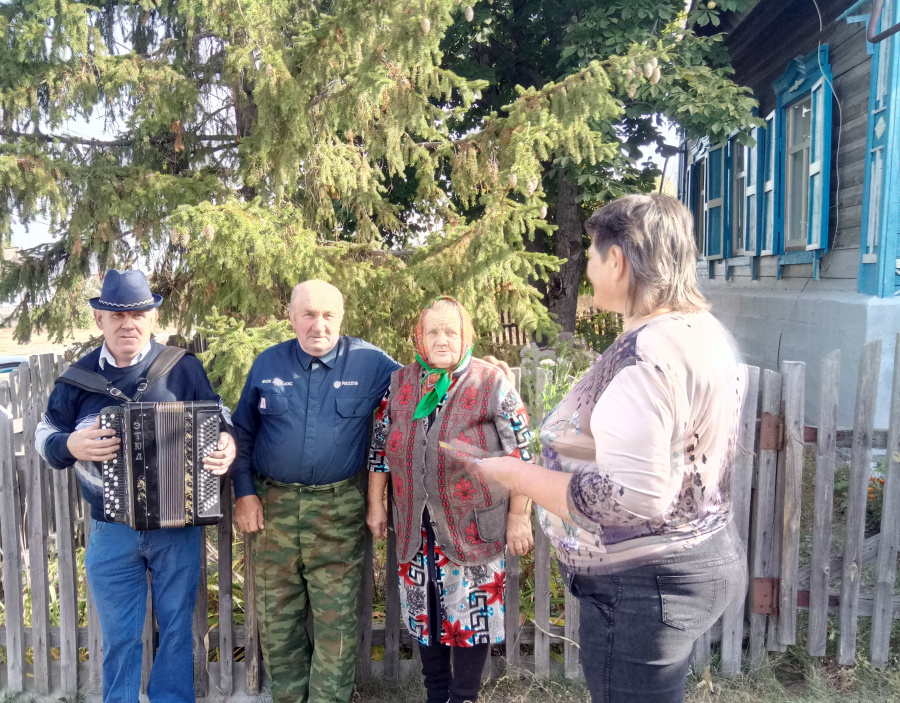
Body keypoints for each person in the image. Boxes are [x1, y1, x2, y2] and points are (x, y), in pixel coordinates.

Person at [475, 194, 748, 703]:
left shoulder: (646, 356)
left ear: (617, 260)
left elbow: (636, 497)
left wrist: (518, 476)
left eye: (594, 258)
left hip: (645, 588)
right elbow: (670, 448)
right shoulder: (700, 332)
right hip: (692, 559)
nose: (590, 272)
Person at [36, 269, 236, 703]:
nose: (129, 323)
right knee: (121, 636)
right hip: (111, 528)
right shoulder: (77, 378)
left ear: (151, 318)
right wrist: (71, 443)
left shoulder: (181, 368)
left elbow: (222, 418)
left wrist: (227, 443)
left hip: (178, 527)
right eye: (118, 314)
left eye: (139, 313)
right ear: (100, 320)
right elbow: (44, 436)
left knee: (179, 629)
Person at [231, 279, 401, 703]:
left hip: (338, 509)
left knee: (337, 623)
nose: (318, 324)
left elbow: (426, 384)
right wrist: (244, 492)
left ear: (341, 318)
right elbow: (241, 434)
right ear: (291, 317)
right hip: (274, 510)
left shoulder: (371, 363)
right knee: (276, 617)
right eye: (307, 314)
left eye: (327, 314)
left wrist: (475, 371)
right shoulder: (267, 363)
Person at [366, 297, 533, 703]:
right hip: (415, 529)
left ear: (466, 337)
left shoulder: (491, 382)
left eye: (451, 332)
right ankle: (435, 695)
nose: (442, 340)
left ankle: (464, 697)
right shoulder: (401, 383)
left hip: (472, 525)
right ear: (419, 338)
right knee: (427, 616)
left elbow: (523, 453)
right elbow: (379, 448)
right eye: (433, 332)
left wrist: (519, 516)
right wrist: (376, 502)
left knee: (469, 618)